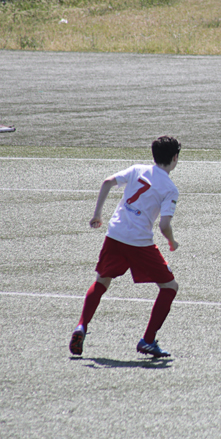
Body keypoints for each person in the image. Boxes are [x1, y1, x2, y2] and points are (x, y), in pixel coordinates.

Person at [69, 136, 182, 358]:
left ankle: (81, 325)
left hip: (115, 235)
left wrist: (97, 215)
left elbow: (107, 182)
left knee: (102, 281)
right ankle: (147, 340)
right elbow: (165, 225)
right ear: (175, 158)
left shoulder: (137, 169)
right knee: (170, 287)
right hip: (140, 243)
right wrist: (171, 241)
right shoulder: (170, 188)